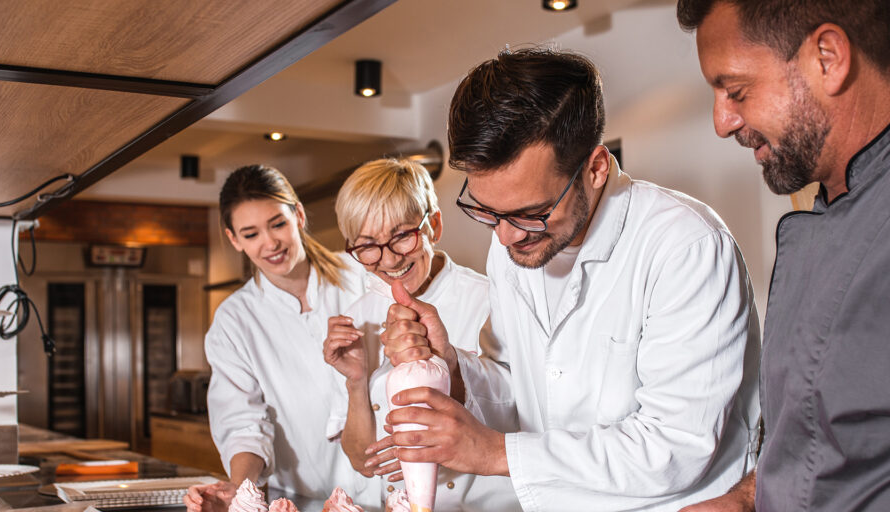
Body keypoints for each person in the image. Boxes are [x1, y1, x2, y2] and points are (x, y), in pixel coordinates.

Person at [366, 48, 762, 511]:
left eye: (531, 213)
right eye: (486, 210)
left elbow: (674, 449)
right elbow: (519, 389)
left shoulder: (685, 247)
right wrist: (453, 366)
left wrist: (494, 452)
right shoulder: (510, 244)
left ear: (595, 168)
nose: (507, 234)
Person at [676, 1, 890, 510]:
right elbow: (826, 435)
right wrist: (749, 497)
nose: (722, 122)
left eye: (736, 91)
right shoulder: (826, 211)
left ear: (828, 58)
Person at [322, 158, 521, 511]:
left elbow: (521, 420)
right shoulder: (359, 317)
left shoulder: (489, 301)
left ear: (434, 226)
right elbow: (361, 461)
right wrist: (356, 381)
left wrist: (427, 453)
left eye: (401, 236)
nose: (388, 259)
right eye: (368, 246)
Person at [184, 165, 365, 512]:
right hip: (304, 502)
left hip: (395, 493)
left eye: (277, 224)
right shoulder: (234, 321)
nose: (270, 243)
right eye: (250, 234)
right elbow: (242, 423)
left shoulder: (359, 276)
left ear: (298, 215)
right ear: (234, 239)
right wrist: (240, 491)